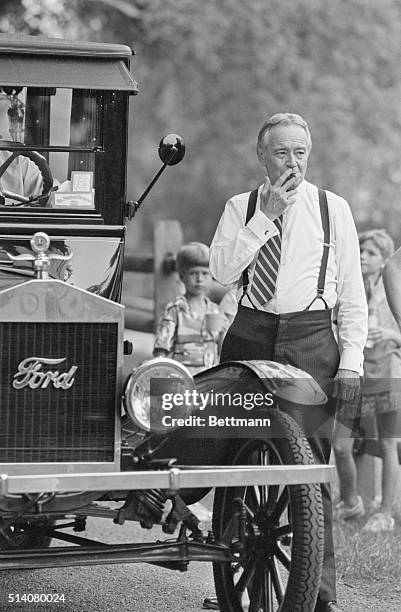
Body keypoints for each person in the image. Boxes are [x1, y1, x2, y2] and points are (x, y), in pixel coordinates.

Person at [207, 113, 368, 612]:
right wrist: (264, 219)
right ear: (262, 156)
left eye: (300, 152)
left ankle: (319, 597)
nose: (292, 162)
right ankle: (238, 577)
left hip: (311, 339)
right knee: (239, 459)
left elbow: (354, 293)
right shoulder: (241, 206)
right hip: (249, 334)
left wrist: (352, 362)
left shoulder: (333, 208)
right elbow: (219, 270)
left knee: (310, 468)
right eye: (282, 152)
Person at [333, 229, 401, 531]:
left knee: (388, 444)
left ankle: (384, 513)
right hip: (354, 370)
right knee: (341, 444)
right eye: (361, 251)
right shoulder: (349, 288)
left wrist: (391, 333)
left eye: (371, 253)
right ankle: (350, 502)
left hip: (387, 371)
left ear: (386, 259)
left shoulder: (395, 290)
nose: (362, 256)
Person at [153, 242, 225, 374]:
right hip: (180, 380)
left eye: (205, 273)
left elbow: (221, 349)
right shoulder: (175, 310)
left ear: (212, 276)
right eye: (193, 273)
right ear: (181, 276)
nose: (199, 279)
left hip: (209, 381)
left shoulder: (215, 311)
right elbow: (161, 350)